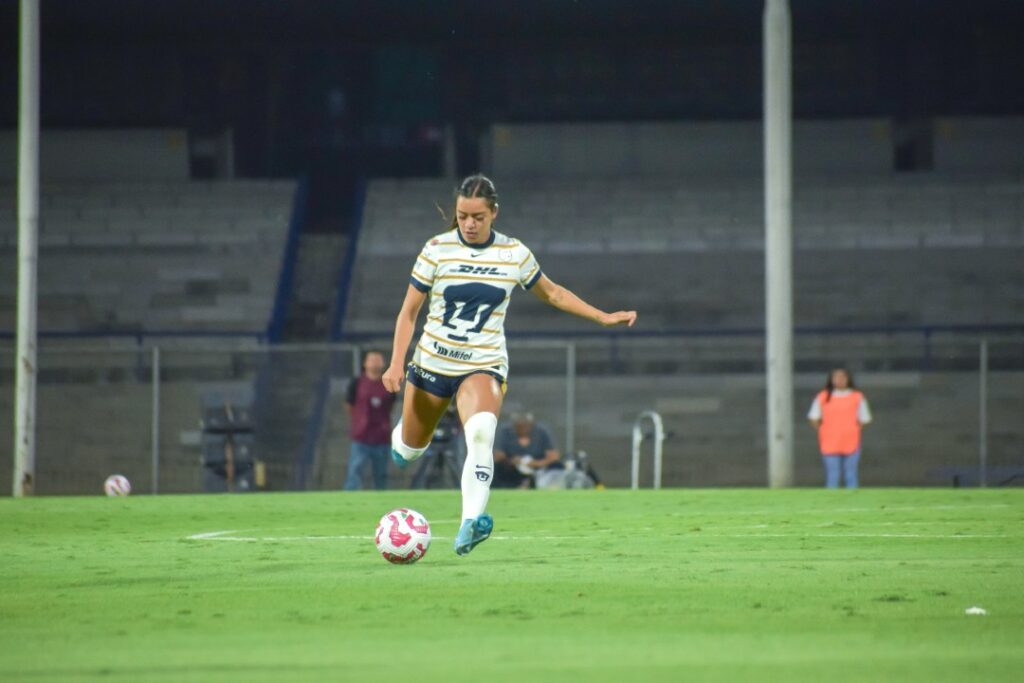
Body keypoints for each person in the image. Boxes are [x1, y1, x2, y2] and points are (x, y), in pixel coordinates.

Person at [382, 174, 637, 556]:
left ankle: (470, 523)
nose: (469, 223)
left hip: (483, 363)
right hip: (432, 362)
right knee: (408, 451)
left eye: (478, 216)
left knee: (481, 434)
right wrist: (395, 363)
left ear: (494, 213)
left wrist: (601, 317)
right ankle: (407, 435)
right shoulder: (436, 250)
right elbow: (408, 314)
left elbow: (552, 293)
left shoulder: (513, 254)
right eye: (463, 215)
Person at [807, 367, 872, 489]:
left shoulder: (857, 397)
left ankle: (853, 498)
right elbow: (813, 417)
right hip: (830, 442)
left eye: (842, 377)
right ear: (831, 380)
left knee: (851, 474)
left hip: (851, 441)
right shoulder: (823, 397)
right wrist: (824, 430)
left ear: (848, 379)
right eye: (836, 377)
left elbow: (864, 418)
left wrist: (852, 430)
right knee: (833, 474)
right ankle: (831, 501)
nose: (839, 380)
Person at [342, 350, 397, 491]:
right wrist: (358, 421)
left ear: (383, 363)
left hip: (381, 437)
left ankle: (382, 501)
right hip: (361, 436)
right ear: (365, 363)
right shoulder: (357, 382)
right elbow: (349, 405)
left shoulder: (389, 383)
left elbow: (391, 405)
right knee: (355, 471)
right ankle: (349, 500)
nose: (375, 363)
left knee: (381, 474)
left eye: (378, 360)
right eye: (371, 360)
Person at [494, 412, 561, 489]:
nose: (523, 428)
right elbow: (498, 454)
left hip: (537, 467)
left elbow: (554, 456)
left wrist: (537, 463)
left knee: (557, 466)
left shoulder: (542, 432)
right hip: (512, 467)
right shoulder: (505, 432)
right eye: (519, 426)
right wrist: (512, 461)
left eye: (526, 425)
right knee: (498, 467)